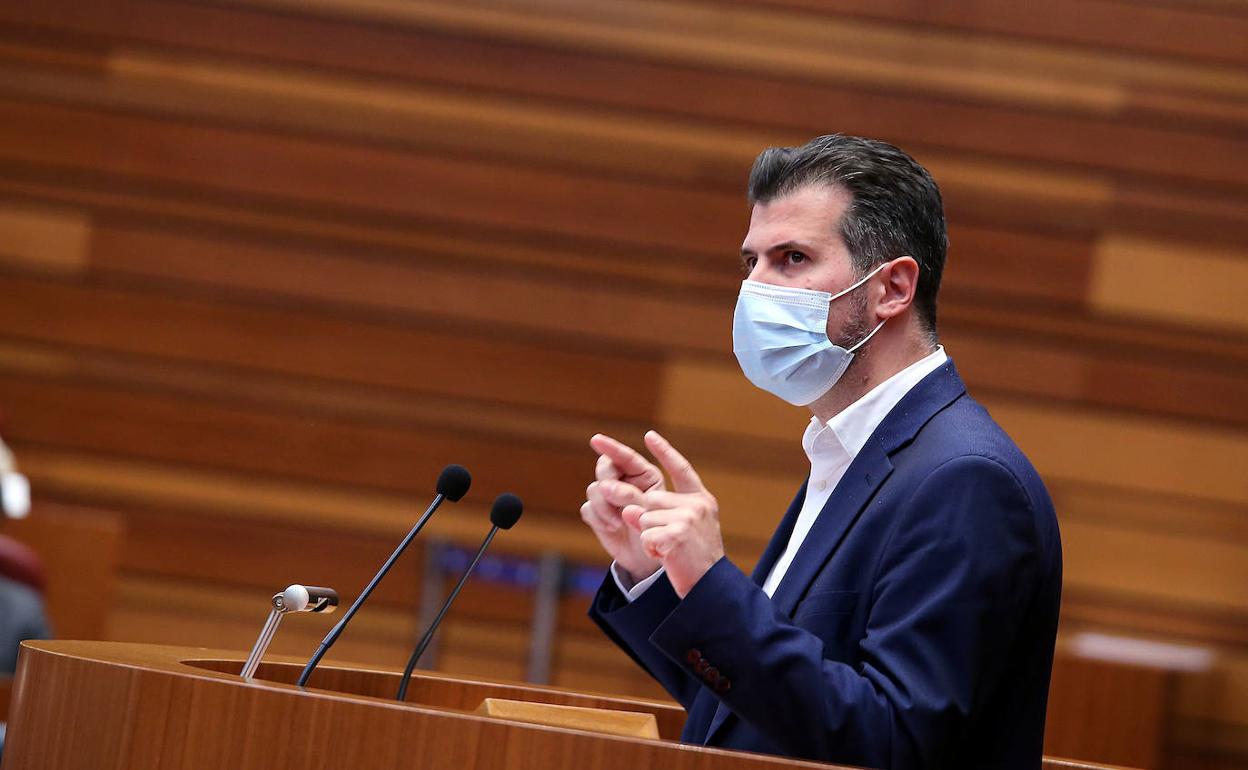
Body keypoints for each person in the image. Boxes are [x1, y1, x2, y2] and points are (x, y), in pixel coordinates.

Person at [580, 135, 1062, 769]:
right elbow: (760, 714)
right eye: (751, 261)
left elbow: (893, 742)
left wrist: (713, 587)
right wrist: (659, 575)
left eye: (792, 258)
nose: (755, 288)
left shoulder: (964, 479)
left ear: (891, 288)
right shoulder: (857, 452)